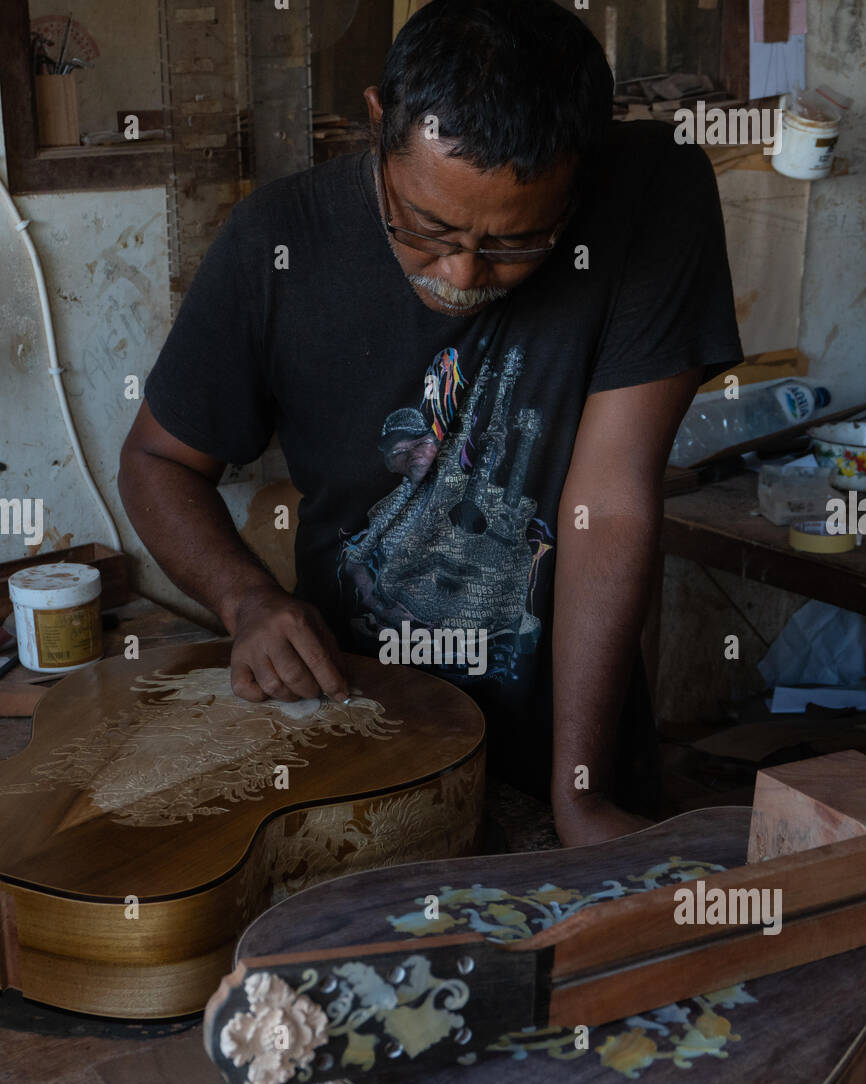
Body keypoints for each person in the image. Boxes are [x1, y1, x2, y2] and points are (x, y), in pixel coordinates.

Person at [119, 0, 742, 848]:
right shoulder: (279, 239)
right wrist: (247, 600)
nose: (461, 275)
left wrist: (581, 794)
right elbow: (157, 459)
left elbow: (613, 502)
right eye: (427, 227)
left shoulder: (653, 194)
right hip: (353, 729)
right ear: (381, 122)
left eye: (517, 245)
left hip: (569, 733)